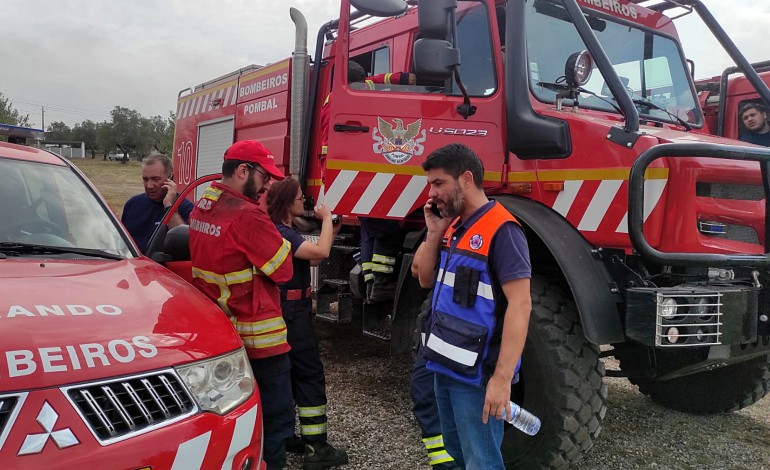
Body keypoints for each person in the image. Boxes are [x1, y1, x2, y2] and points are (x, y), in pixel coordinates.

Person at [413, 143, 532, 469]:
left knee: (482, 461)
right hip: (444, 365)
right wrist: (434, 232)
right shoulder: (452, 226)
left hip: (477, 376)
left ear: (465, 178)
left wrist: (502, 379)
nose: (432, 193)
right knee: (458, 450)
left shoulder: (503, 230)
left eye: (438, 184)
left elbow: (521, 306)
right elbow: (425, 279)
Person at [188, 139, 294, 470]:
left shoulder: (204, 204)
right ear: (243, 170)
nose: (268, 186)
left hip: (222, 332)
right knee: (276, 415)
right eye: (265, 177)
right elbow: (284, 270)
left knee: (231, 413)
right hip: (260, 338)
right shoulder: (248, 216)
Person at [266, 178, 348, 470]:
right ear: (288, 203)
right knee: (309, 375)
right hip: (293, 313)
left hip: (289, 309)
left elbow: (309, 262)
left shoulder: (278, 230)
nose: (305, 202)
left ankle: (287, 435)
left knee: (287, 375)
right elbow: (321, 254)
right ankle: (317, 448)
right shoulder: (283, 232)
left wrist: (331, 231)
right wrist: (325, 220)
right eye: (301, 198)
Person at [320, 60, 415, 303]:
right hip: (348, 173)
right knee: (385, 228)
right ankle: (381, 285)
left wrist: (402, 78)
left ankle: (371, 282)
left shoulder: (336, 96)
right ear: (358, 82)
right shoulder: (347, 98)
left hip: (342, 174)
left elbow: (382, 79)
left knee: (370, 229)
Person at [121, 154, 193, 253]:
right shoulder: (132, 205)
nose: (149, 185)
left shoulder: (188, 209)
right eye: (145, 179)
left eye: (156, 179)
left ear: (170, 178)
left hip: (163, 267)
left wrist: (169, 207)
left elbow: (184, 246)